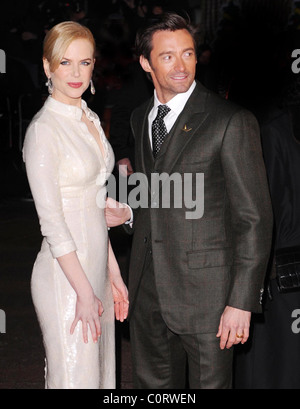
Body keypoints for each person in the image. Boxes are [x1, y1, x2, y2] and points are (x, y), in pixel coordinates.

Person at [105, 12, 273, 389]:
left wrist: (241, 301)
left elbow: (254, 220)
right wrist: (128, 212)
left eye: (188, 54)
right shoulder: (140, 117)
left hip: (209, 300)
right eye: (167, 56)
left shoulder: (230, 121)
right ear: (145, 62)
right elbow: (154, 193)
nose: (181, 66)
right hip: (148, 294)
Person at [22, 21, 129, 389]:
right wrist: (84, 290)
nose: (76, 73)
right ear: (48, 66)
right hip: (65, 278)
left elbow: (94, 211)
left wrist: (111, 274)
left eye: (85, 63)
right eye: (65, 62)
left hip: (95, 271)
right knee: (75, 380)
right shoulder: (43, 130)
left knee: (101, 380)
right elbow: (52, 223)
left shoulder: (90, 118)